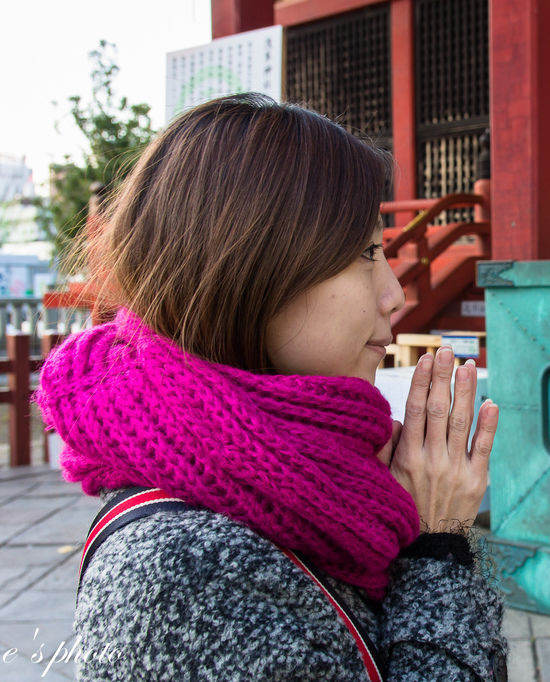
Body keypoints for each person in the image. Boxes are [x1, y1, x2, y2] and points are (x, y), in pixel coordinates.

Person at [36, 92, 506, 680]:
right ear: (253, 268)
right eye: (364, 252)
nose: (395, 294)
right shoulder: (180, 577)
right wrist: (436, 545)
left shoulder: (322, 478)